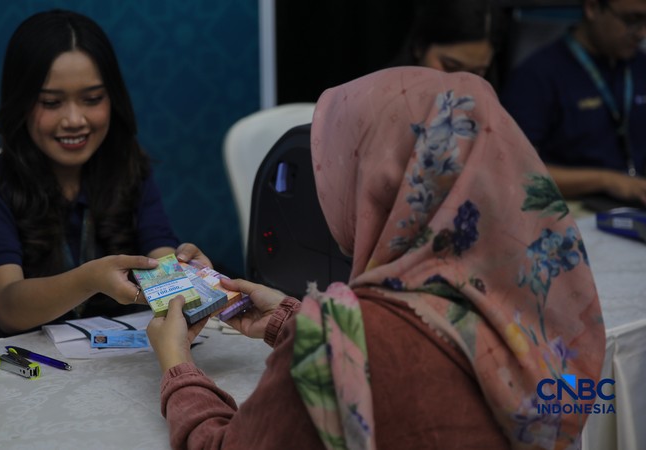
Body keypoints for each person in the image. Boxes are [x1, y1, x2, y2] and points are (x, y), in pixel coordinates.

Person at [147, 67, 606, 449]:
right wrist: (291, 322)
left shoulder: (340, 341)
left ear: (378, 180)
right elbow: (422, 356)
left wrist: (177, 366)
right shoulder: (540, 306)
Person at [0, 9, 210, 339]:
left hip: (119, 362)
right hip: (21, 367)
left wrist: (184, 271)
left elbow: (158, 253)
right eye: (51, 102)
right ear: (20, 103)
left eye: (92, 99)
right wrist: (90, 279)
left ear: (113, 98)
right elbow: (8, 308)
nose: (74, 119)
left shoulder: (130, 169)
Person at [501, 0, 646, 206]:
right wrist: (606, 180)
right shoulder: (538, 75)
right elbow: (517, 171)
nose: (641, 33)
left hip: (634, 201)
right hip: (573, 207)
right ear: (593, 8)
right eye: (632, 20)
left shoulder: (638, 67)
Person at [389, 0, 497, 79]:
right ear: (420, 47)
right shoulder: (379, 101)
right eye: (450, 67)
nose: (460, 82)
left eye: (476, 73)